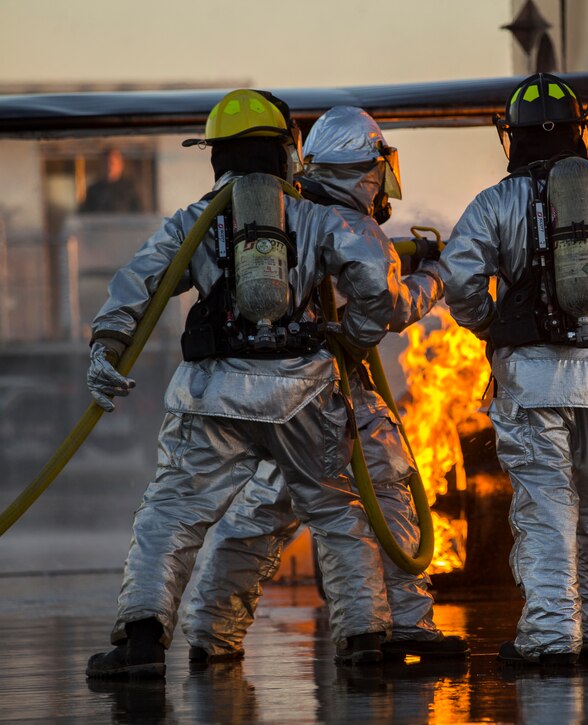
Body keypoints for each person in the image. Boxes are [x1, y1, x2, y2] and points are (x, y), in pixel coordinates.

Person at [84, 89, 396, 679]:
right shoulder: (314, 215)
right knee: (336, 509)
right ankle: (364, 638)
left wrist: (107, 346)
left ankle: (144, 642)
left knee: (172, 513)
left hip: (214, 393)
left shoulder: (194, 221)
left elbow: (138, 283)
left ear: (216, 157)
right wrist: (352, 334)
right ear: (286, 153)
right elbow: (378, 278)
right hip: (304, 388)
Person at [180, 106, 468, 664]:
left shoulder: (290, 212)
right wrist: (437, 275)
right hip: (324, 386)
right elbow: (389, 308)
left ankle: (209, 634)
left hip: (277, 393)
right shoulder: (345, 226)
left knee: (265, 504)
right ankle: (399, 628)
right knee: (382, 484)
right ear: (365, 169)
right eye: (379, 172)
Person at [438, 73, 588, 665]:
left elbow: (459, 280)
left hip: (531, 380)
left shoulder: (495, 204)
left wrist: (493, 322)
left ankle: (548, 639)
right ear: (580, 134)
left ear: (511, 137)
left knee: (547, 507)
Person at [80, 147, 146, 213]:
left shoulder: (130, 189)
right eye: (105, 163)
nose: (109, 167)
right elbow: (86, 214)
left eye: (112, 163)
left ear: (120, 165)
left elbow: (138, 213)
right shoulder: (93, 190)